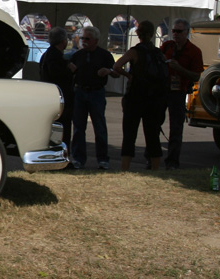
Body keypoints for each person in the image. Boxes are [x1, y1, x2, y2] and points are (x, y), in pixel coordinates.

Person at [113, 20, 166, 171]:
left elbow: (117, 66)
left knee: (129, 134)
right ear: (151, 34)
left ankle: (125, 169)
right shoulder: (158, 53)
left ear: (138, 33)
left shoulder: (134, 51)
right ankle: (156, 169)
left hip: (135, 98)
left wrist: (129, 76)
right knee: (152, 135)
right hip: (153, 99)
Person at [69, 26, 115, 169]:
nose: (84, 41)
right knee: (78, 127)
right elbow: (69, 69)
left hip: (97, 93)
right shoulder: (77, 55)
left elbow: (116, 72)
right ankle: (78, 158)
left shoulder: (105, 55)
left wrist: (108, 70)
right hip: (80, 92)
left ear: (95, 40)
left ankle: (102, 159)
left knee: (99, 126)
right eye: (82, 38)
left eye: (87, 39)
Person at [160, 18, 203, 169]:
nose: (175, 34)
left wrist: (180, 69)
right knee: (153, 123)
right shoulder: (167, 46)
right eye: (173, 31)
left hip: (178, 92)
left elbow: (197, 76)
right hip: (162, 90)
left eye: (179, 31)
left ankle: (172, 162)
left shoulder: (194, 51)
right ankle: (152, 158)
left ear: (187, 32)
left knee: (176, 128)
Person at [39, 26, 73, 148]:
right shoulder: (56, 57)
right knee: (62, 127)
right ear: (63, 41)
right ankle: (60, 151)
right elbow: (57, 74)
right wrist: (69, 70)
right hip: (60, 96)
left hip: (51, 95)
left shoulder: (47, 54)